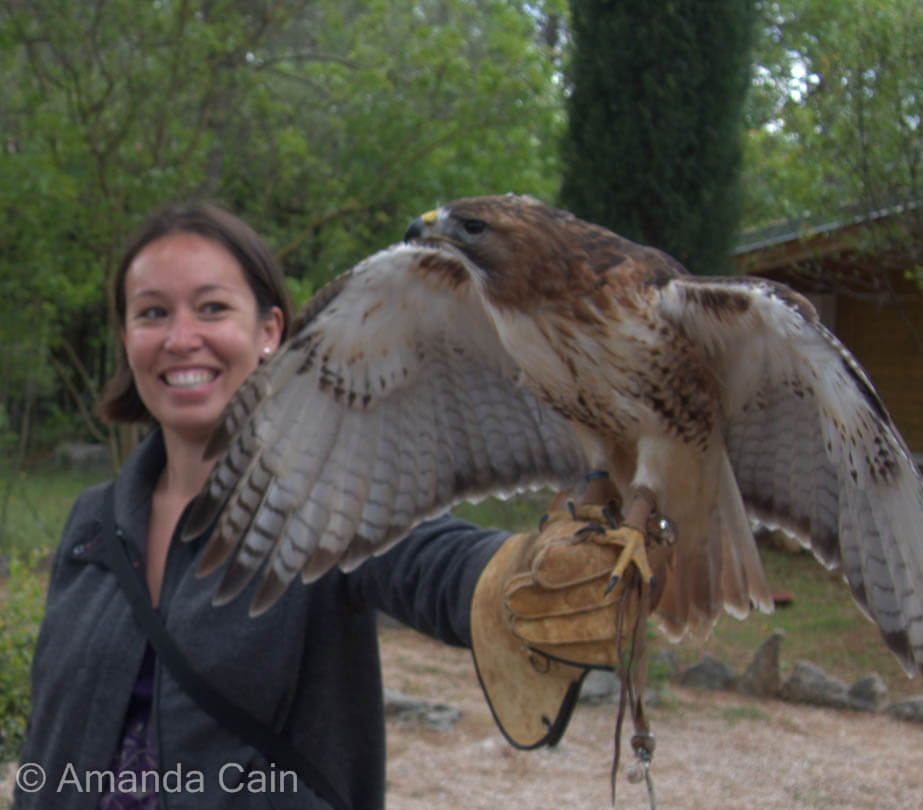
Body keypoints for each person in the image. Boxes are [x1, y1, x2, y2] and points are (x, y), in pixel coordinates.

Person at [14, 202, 651, 810]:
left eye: (212, 308)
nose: (182, 338)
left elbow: (429, 559)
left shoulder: (323, 490)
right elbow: (53, 735)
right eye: (152, 313)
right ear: (126, 337)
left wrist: (516, 578)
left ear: (269, 331)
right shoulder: (92, 525)